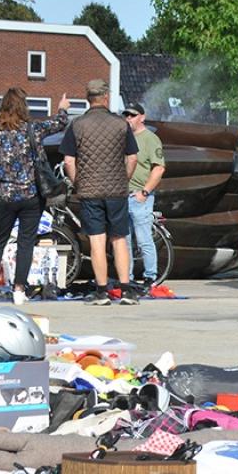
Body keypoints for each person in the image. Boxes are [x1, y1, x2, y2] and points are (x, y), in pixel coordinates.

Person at [0, 87, 70, 306]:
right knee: (26, 242)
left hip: (4, 195)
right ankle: (19, 290)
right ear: (24, 107)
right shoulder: (33, 129)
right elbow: (59, 124)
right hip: (31, 194)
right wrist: (62, 109)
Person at [61, 79, 138, 306]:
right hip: (117, 191)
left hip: (90, 191)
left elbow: (68, 160)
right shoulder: (121, 124)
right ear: (106, 97)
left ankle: (102, 291)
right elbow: (132, 157)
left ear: (88, 99)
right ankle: (125, 290)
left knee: (97, 240)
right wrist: (124, 179)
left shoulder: (77, 125)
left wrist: (78, 182)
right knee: (119, 239)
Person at [122, 102, 165, 288]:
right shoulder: (124, 137)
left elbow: (159, 167)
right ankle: (128, 276)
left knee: (143, 238)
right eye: (126, 115)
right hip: (123, 194)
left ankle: (150, 276)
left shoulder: (150, 139)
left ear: (142, 117)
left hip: (140, 197)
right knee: (124, 240)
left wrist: (145, 192)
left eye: (132, 115)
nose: (128, 118)